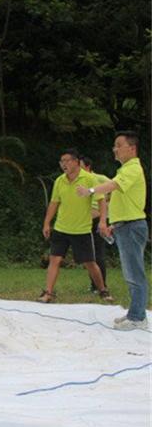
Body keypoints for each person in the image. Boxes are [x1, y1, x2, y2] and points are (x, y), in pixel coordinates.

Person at [77, 131, 148, 330]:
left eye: (118, 145)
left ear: (131, 148)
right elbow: (120, 200)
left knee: (135, 274)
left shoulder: (132, 168)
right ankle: (135, 313)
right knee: (130, 274)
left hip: (132, 226)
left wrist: (90, 190)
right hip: (125, 226)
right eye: (114, 145)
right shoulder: (126, 169)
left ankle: (138, 318)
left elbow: (113, 185)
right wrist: (112, 226)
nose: (114, 149)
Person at [39, 149, 113, 304]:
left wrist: (102, 221)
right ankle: (49, 292)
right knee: (54, 260)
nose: (63, 164)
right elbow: (54, 203)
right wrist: (47, 222)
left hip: (82, 230)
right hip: (61, 228)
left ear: (76, 162)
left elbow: (101, 201)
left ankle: (103, 290)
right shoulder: (60, 180)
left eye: (67, 161)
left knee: (90, 263)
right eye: (61, 162)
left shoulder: (89, 179)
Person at [79, 156, 111, 293]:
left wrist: (108, 206)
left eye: (79, 165)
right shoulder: (78, 182)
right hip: (84, 221)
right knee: (88, 255)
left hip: (98, 221)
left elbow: (117, 188)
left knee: (98, 253)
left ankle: (101, 286)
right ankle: (94, 284)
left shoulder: (100, 178)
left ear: (87, 166)